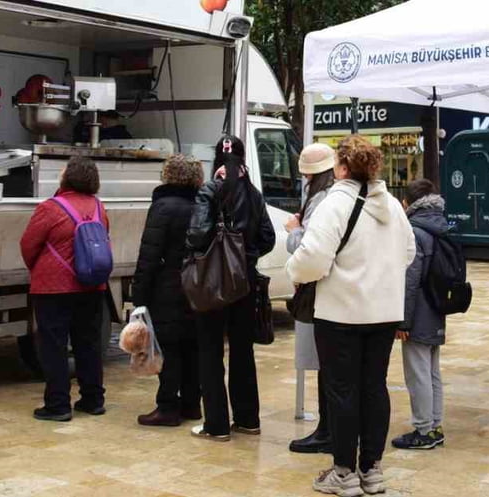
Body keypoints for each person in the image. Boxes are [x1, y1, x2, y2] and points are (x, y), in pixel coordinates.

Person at [286, 135, 416, 497]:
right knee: (374, 388)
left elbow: (312, 257)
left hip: (341, 311)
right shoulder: (391, 204)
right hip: (384, 312)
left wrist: (294, 270)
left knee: (342, 390)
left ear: (342, 167)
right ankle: (371, 470)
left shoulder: (334, 202)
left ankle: (344, 472)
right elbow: (409, 251)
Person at [184, 133, 276, 441]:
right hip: (245, 284)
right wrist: (245, 258)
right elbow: (268, 238)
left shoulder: (209, 190)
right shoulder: (254, 194)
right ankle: (248, 419)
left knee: (210, 352)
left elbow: (196, 235)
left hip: (213, 283)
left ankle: (217, 425)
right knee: (242, 351)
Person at [20, 156, 109, 422]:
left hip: (54, 289)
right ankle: (93, 400)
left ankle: (58, 405)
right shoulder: (98, 207)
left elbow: (28, 245)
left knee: (54, 346)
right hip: (93, 286)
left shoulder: (50, 208)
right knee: (88, 344)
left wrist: (40, 270)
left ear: (67, 177)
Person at [131, 155, 204, 427]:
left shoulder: (163, 207)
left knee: (169, 349)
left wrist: (139, 293)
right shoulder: (202, 204)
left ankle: (167, 407)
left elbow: (149, 254)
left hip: (168, 288)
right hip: (198, 288)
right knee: (192, 347)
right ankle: (192, 404)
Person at [286, 143, 338, 454]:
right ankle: (328, 429)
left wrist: (294, 230)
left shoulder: (322, 200)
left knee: (326, 366)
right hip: (337, 293)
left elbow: (308, 248)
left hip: (321, 291)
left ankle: (327, 432)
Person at [393, 179, 451, 451]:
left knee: (417, 373)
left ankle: (423, 429)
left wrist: (403, 320)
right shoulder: (441, 226)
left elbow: (410, 279)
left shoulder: (415, 231)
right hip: (437, 308)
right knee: (432, 372)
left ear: (408, 203)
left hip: (418, 312)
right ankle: (435, 425)